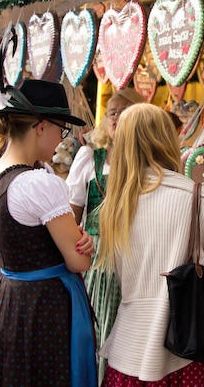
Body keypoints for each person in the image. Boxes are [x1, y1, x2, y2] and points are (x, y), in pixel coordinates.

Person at [96, 103, 204, 386]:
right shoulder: (199, 200)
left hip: (126, 355)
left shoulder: (115, 207)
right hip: (188, 358)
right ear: (169, 140)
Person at [0, 79, 98, 387]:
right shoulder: (39, 183)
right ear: (41, 126)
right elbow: (78, 263)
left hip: (7, 306)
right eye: (60, 129)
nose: (61, 140)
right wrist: (85, 248)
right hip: (48, 309)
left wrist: (14, 301)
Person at [65, 87, 145, 381]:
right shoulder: (89, 158)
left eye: (125, 112)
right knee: (97, 323)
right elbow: (71, 216)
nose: (117, 118)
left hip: (136, 252)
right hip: (97, 255)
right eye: (112, 112)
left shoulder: (146, 162)